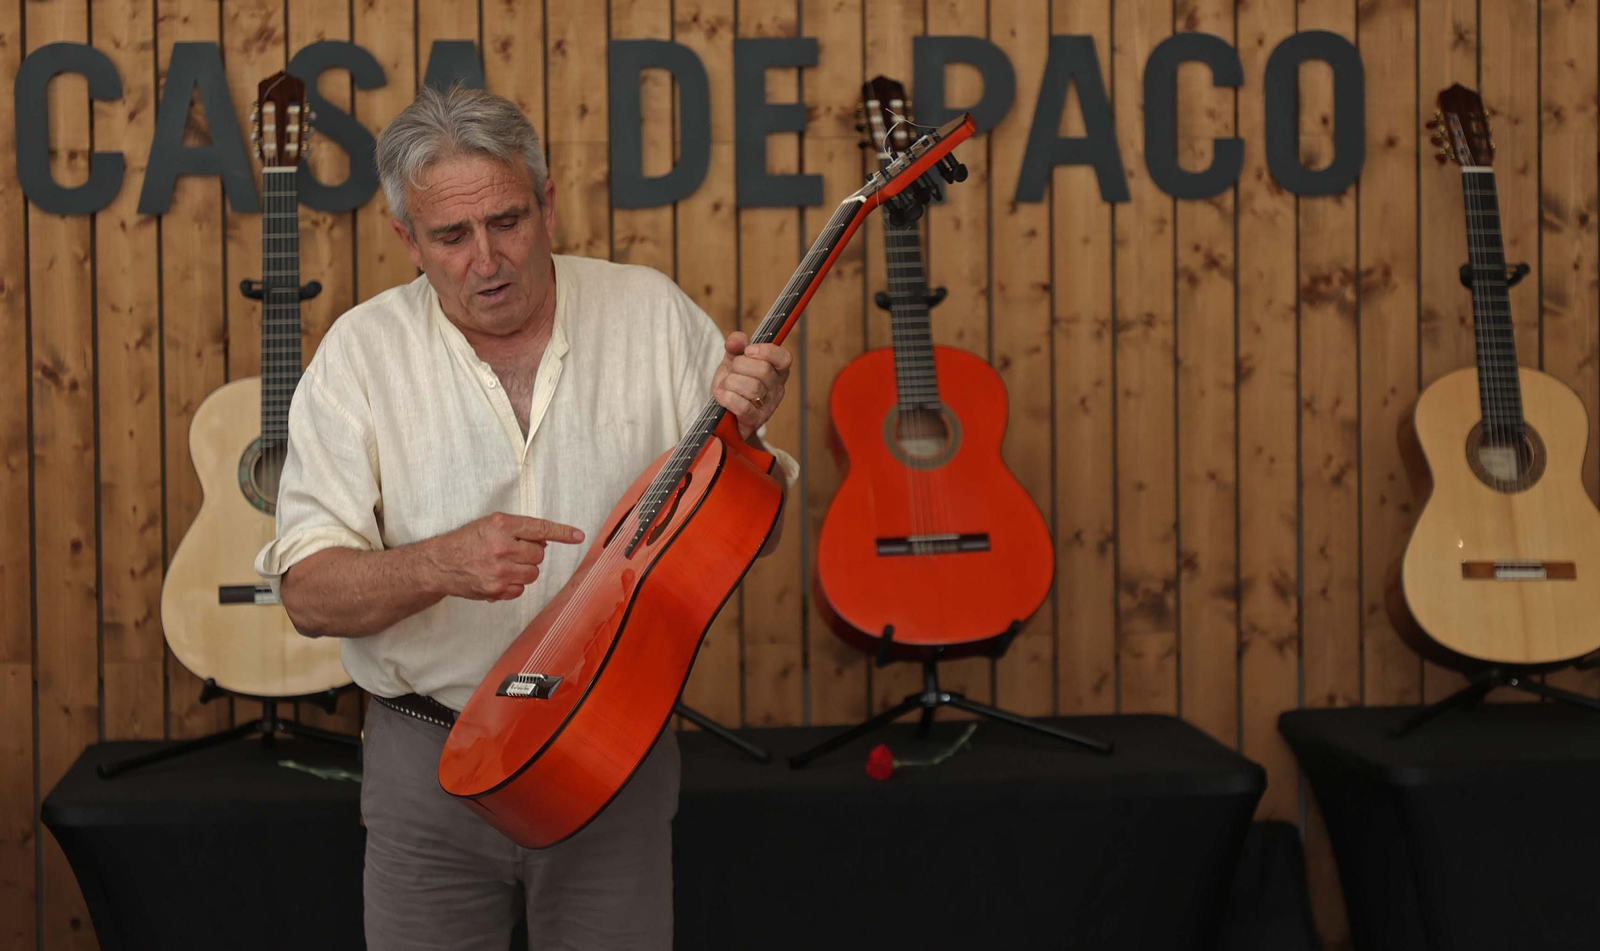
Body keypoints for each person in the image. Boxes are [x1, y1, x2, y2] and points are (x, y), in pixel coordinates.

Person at [253, 84, 797, 951]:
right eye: (451, 236)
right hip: (425, 765)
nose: (487, 259)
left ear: (547, 205)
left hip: (610, 749)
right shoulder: (359, 354)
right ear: (408, 241)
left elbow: (755, 533)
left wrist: (749, 435)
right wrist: (440, 564)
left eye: (506, 220)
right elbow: (309, 596)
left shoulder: (651, 315)